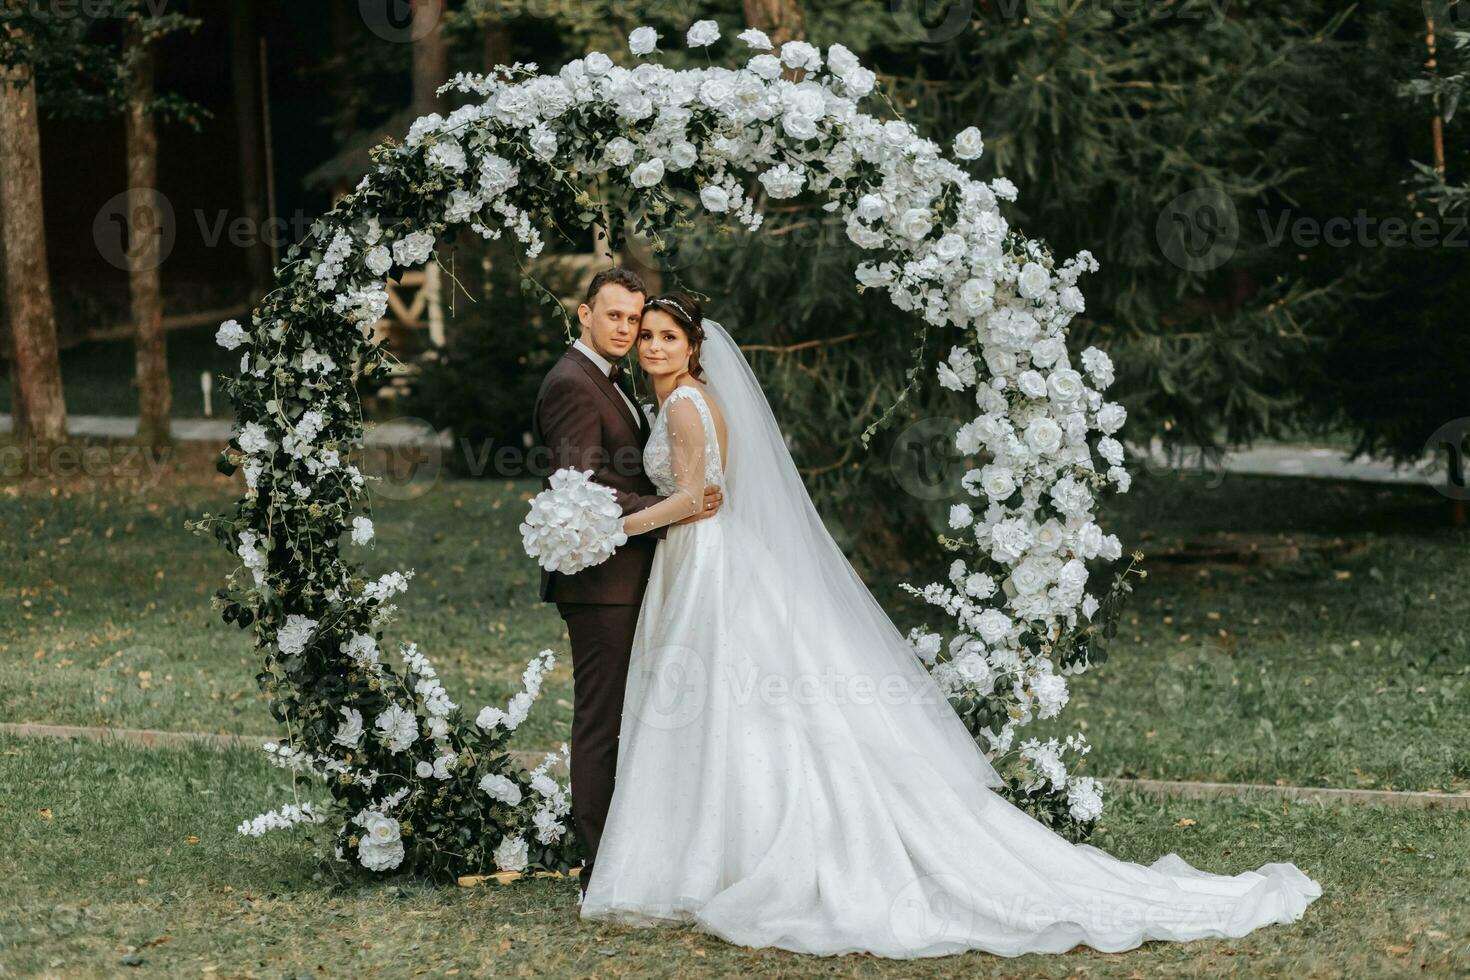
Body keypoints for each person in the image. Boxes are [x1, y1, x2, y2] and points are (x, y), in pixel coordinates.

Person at [577, 290, 1322, 958]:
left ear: (695, 346)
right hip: (712, 559)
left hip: (706, 558)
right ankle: (713, 850)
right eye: (645, 336)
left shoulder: (682, 404)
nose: (652, 346)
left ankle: (712, 857)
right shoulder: (694, 398)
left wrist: (621, 523)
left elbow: (704, 495)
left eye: (667, 337)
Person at [530, 269, 722, 898]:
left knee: (631, 717)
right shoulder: (572, 384)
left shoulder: (620, 386)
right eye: (613, 316)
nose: (626, 330)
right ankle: (599, 866)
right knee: (601, 719)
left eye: (634, 321)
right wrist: (672, 503)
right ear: (584, 314)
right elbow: (579, 490)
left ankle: (637, 852)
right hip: (600, 583)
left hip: (635, 573)